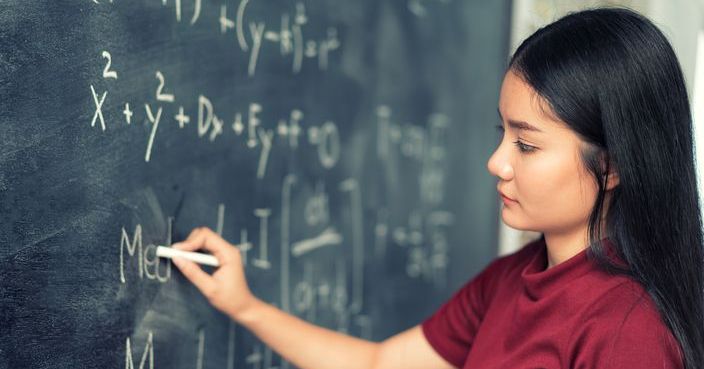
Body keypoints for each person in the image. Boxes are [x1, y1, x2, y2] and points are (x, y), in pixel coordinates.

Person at [170, 7, 704, 369]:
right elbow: (381, 364)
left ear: (611, 166)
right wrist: (244, 306)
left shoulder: (630, 333)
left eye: (527, 144)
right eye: (503, 133)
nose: (496, 163)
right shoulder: (511, 278)